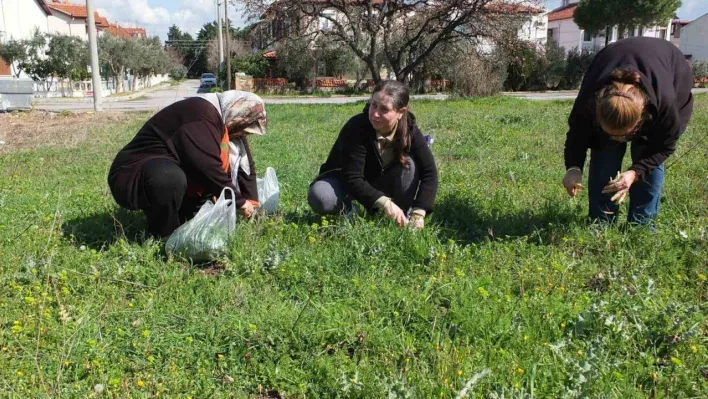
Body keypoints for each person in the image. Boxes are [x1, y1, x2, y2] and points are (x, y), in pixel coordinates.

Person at [562, 37, 694, 224]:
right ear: (597, 116)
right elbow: (577, 135)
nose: (619, 140)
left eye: (624, 135)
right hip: (611, 59)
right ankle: (601, 222)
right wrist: (574, 168)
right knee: (604, 151)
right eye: (611, 133)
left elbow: (663, 147)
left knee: (647, 154)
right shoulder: (589, 100)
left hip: (670, 70)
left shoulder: (665, 106)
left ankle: (641, 225)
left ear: (641, 120)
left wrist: (635, 172)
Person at [108, 91, 267, 238]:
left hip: (173, 169)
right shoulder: (200, 115)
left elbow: (247, 168)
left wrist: (252, 203)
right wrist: (240, 203)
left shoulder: (226, 121)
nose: (243, 135)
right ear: (238, 114)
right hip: (131, 175)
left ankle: (179, 219)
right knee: (168, 177)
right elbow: (207, 168)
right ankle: (164, 236)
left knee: (198, 223)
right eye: (244, 130)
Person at [308, 80, 438, 229]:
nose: (375, 114)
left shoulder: (410, 130)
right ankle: (351, 211)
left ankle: (400, 215)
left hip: (381, 181)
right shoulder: (357, 126)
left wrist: (419, 213)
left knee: (410, 164)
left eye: (384, 109)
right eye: (373, 105)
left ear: (401, 113)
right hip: (345, 181)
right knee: (320, 195)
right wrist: (385, 203)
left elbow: (430, 173)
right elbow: (353, 177)